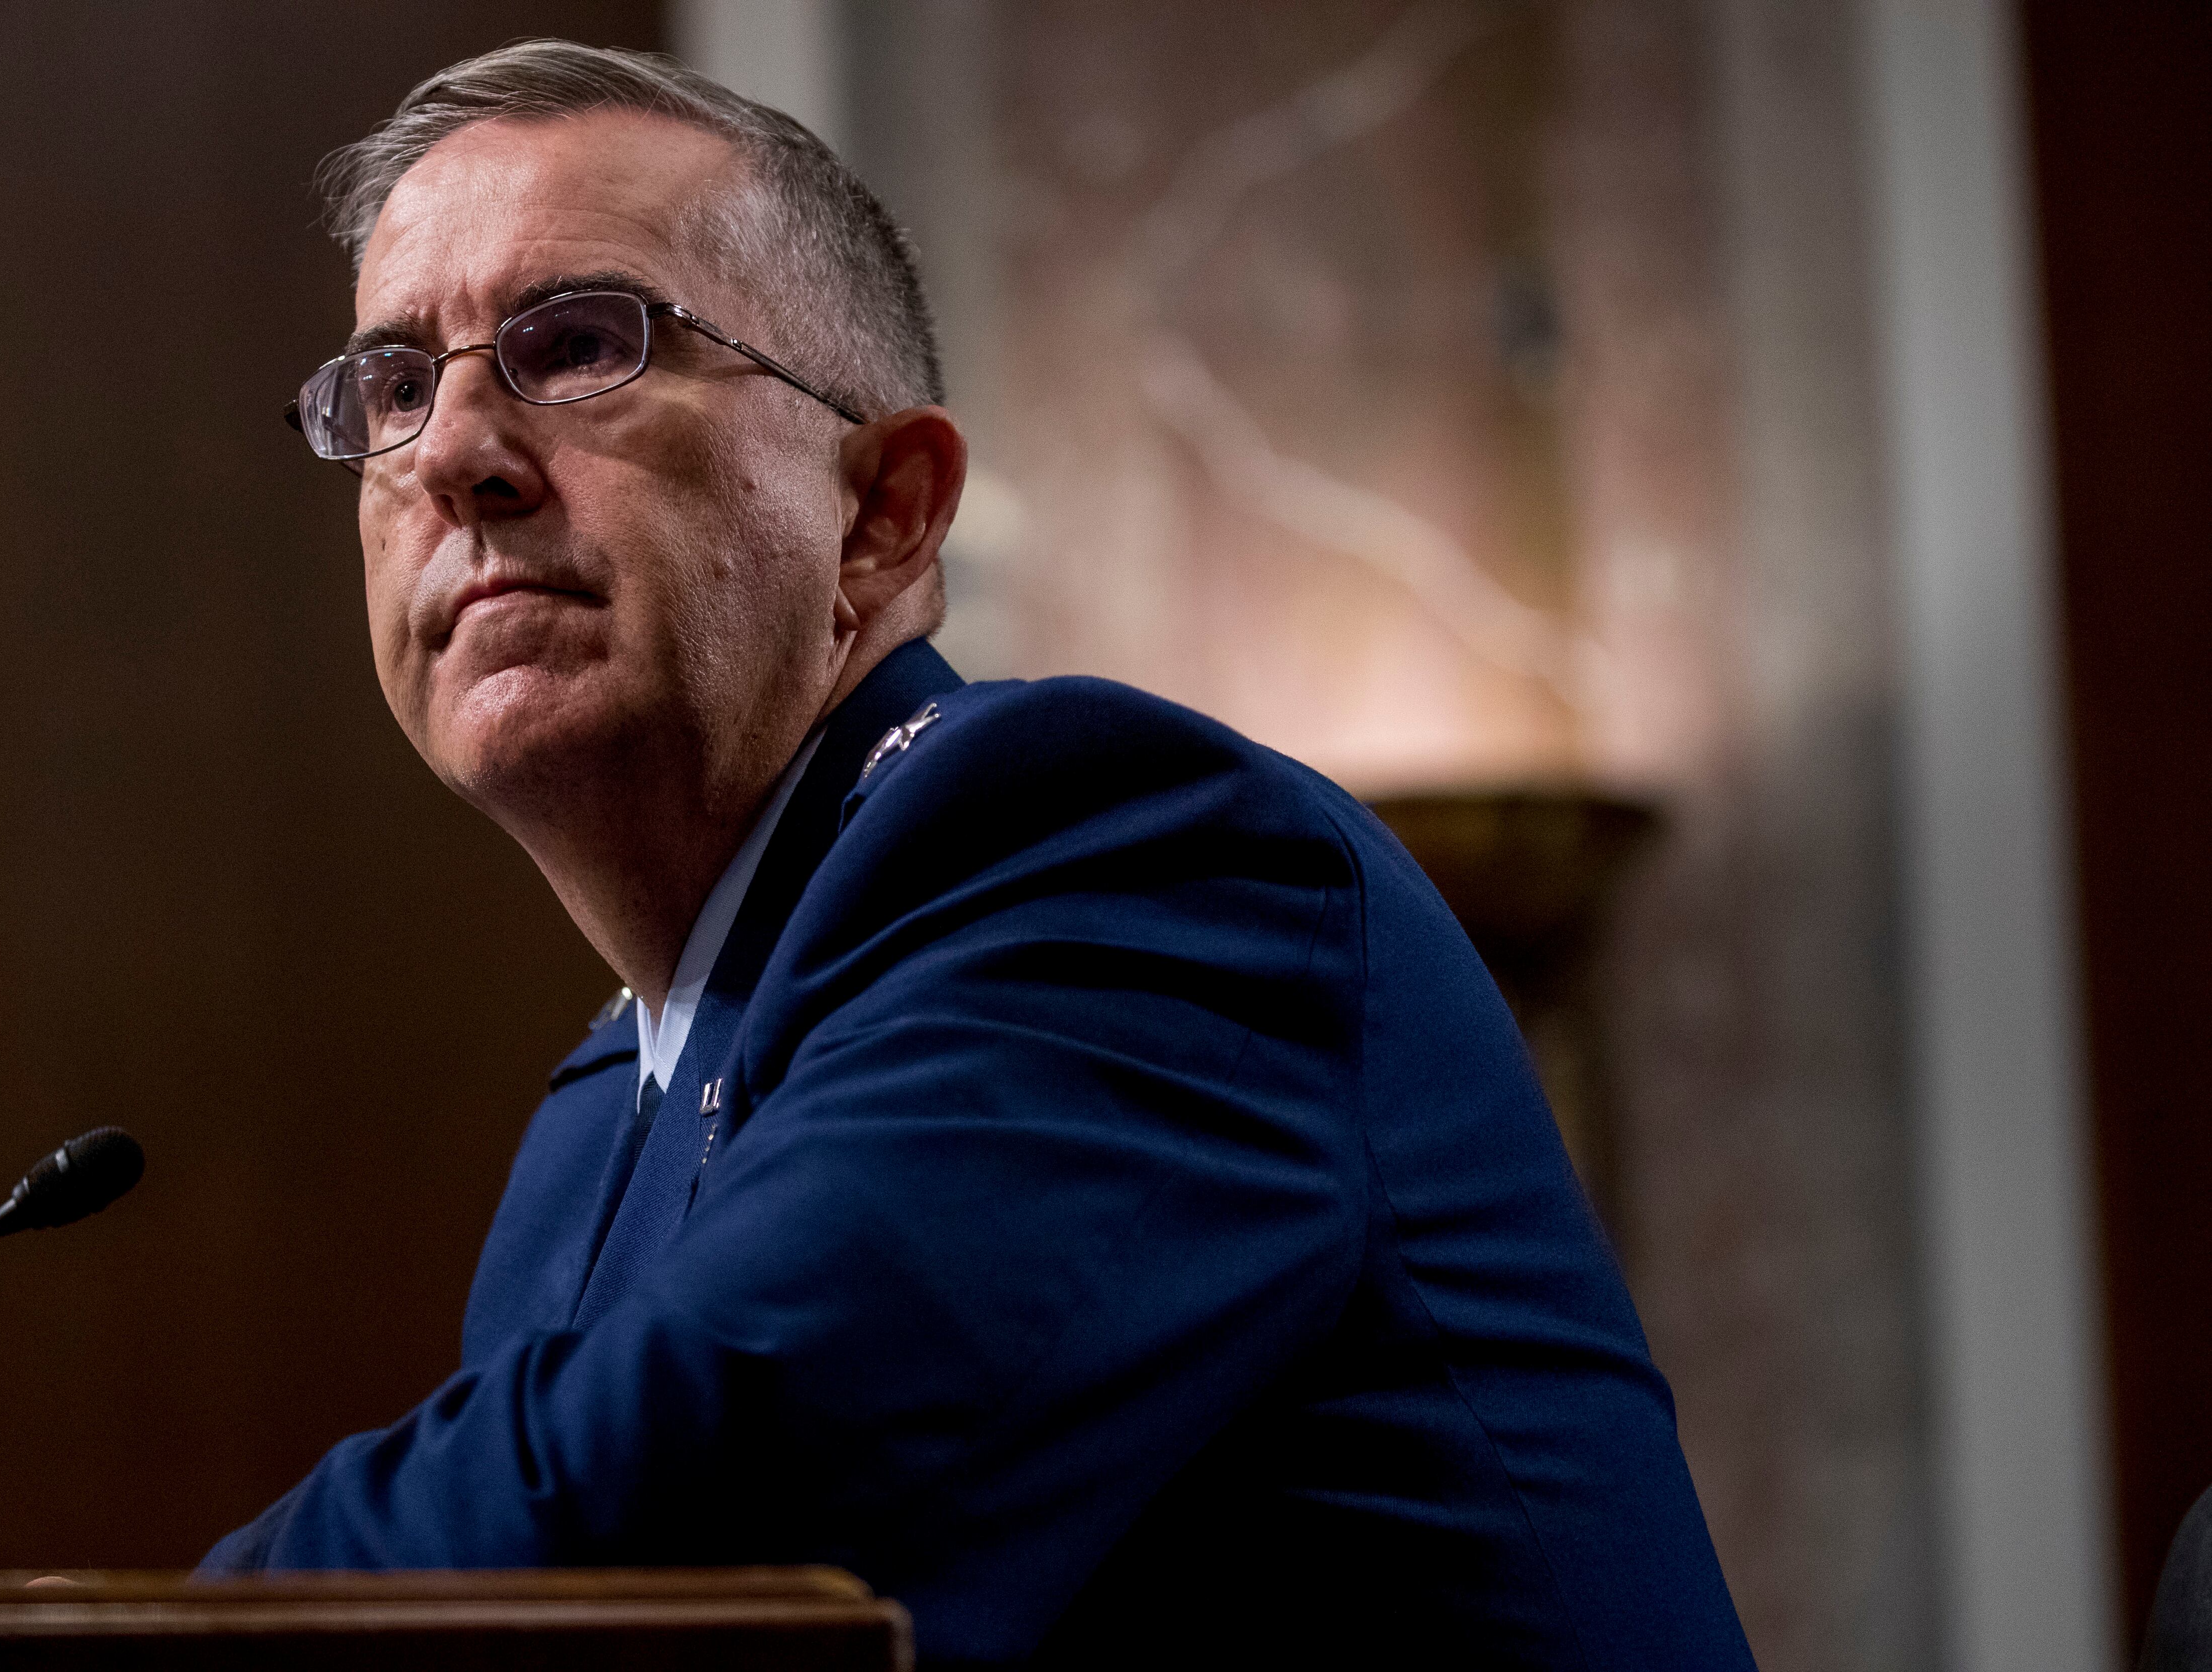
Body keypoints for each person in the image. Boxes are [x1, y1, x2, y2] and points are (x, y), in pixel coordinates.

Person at [207, 40, 1755, 1669]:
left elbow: (688, 1510)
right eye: (394, 386)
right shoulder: (594, 1122)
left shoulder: (1124, 859)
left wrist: (76, 1642)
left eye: (580, 345)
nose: (453, 455)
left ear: (883, 514)